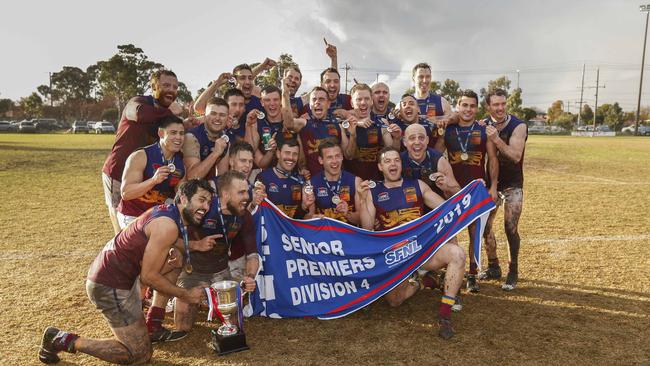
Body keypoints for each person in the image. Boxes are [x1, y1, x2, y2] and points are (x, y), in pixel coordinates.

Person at [38, 180, 212, 364]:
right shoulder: (167, 225)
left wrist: (191, 246)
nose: (206, 207)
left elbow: (167, 241)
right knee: (139, 355)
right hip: (110, 285)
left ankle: (152, 323)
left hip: (117, 276)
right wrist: (186, 294)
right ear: (183, 198)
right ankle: (60, 339)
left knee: (177, 261)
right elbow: (149, 277)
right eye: (201, 200)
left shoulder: (168, 213)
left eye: (209, 202)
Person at [357, 147, 466, 340]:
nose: (393, 164)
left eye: (396, 160)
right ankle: (424, 280)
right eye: (388, 161)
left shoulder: (417, 185)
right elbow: (367, 227)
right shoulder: (374, 192)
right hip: (395, 257)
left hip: (423, 251)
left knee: (457, 254)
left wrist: (450, 189)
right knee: (394, 301)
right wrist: (362, 198)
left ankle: (444, 315)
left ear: (401, 164)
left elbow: (448, 210)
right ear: (380, 167)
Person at [174, 171, 259, 333]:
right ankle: (177, 295)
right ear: (226, 194)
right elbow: (173, 237)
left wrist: (250, 276)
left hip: (221, 273)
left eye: (247, 191)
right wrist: (195, 245)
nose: (247, 197)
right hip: (192, 272)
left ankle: (212, 298)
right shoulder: (203, 208)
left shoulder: (244, 216)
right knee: (182, 328)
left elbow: (252, 254)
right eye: (241, 192)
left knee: (234, 327)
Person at [102, 69, 183, 234]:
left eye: (175, 87)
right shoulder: (138, 101)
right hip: (118, 169)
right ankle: (117, 254)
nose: (171, 90)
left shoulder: (164, 116)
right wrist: (168, 112)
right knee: (120, 218)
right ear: (153, 87)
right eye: (166, 85)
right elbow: (137, 113)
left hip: (143, 172)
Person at [435, 89, 499, 292]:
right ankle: (450, 273)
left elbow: (492, 160)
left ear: (477, 108)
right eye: (464, 105)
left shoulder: (484, 130)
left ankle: (472, 275)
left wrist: (494, 186)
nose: (468, 109)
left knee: (475, 233)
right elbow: (436, 153)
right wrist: (440, 131)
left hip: (476, 191)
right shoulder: (449, 129)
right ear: (458, 106)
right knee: (450, 234)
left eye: (472, 106)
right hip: (452, 191)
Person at [480, 89, 528, 291]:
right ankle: (493, 267)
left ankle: (513, 271)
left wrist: (497, 138)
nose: (500, 108)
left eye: (503, 104)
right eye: (495, 105)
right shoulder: (483, 124)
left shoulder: (518, 125)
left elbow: (516, 156)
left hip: (513, 184)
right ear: (488, 107)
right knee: (484, 227)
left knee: (510, 228)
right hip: (492, 182)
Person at [117, 115, 186, 229]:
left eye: (181, 133)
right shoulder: (141, 155)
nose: (178, 137)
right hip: (132, 215)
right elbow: (126, 193)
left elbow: (181, 195)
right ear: (161, 133)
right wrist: (153, 180)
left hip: (157, 216)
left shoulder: (180, 163)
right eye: (173, 133)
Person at [282, 86, 356, 176]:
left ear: (328, 104)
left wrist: (353, 135)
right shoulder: (304, 123)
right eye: (314, 99)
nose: (317, 102)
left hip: (336, 180)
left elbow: (349, 155)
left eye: (321, 99)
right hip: (312, 181)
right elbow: (288, 123)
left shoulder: (338, 126)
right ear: (310, 104)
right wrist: (285, 94)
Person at [345, 83, 401, 181]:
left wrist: (396, 138)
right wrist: (353, 134)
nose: (363, 103)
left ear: (371, 101)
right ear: (352, 103)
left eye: (367, 99)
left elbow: (392, 151)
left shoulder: (382, 123)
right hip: (352, 182)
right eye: (359, 99)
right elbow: (349, 156)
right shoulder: (344, 125)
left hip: (376, 182)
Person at [256, 139, 315, 219]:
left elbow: (299, 220)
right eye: (287, 153)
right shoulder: (263, 178)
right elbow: (255, 213)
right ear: (278, 154)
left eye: (295, 154)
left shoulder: (301, 182)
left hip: (291, 230)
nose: (291, 158)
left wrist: (304, 207)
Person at [401, 124, 460, 199]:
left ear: (427, 140)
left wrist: (448, 187)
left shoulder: (438, 160)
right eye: (412, 138)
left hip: (437, 208)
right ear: (404, 142)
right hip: (410, 208)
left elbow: (459, 192)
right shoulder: (399, 161)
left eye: (421, 138)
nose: (417, 142)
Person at [310, 140, 362, 224]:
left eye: (337, 156)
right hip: (324, 234)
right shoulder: (311, 184)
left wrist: (347, 214)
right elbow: (306, 217)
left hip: (348, 235)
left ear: (342, 157)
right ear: (321, 160)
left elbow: (362, 219)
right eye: (329, 157)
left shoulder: (356, 181)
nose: (334, 161)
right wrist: (312, 219)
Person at [244, 85, 296, 169]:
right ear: (261, 102)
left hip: (293, 174)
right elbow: (249, 152)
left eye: (275, 100)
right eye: (267, 100)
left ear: (281, 101)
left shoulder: (289, 120)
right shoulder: (257, 123)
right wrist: (248, 125)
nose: (272, 104)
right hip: (269, 175)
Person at [182, 97, 230, 179]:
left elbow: (222, 177)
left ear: (227, 118)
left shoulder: (224, 139)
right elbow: (191, 178)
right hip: (183, 188)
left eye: (222, 115)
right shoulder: (191, 137)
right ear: (204, 116)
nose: (217, 118)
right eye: (213, 113)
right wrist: (215, 153)